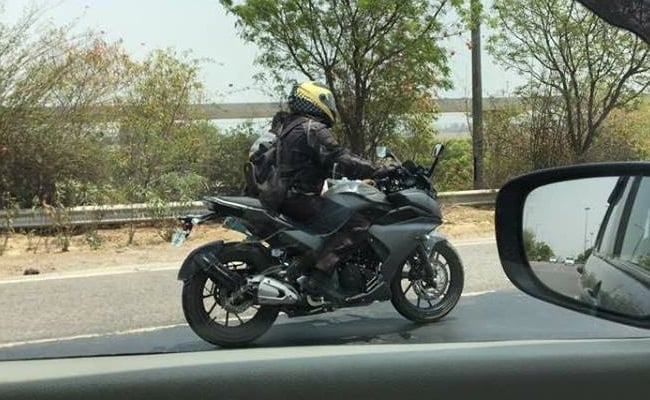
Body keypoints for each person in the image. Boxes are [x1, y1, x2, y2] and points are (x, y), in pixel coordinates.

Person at [273, 81, 390, 302]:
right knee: (358, 223)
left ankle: (312, 267)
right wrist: (379, 170)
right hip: (301, 198)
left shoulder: (287, 126)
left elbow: (318, 164)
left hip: (286, 195)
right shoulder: (313, 129)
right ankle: (320, 277)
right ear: (313, 100)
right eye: (327, 101)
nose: (330, 107)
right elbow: (342, 158)